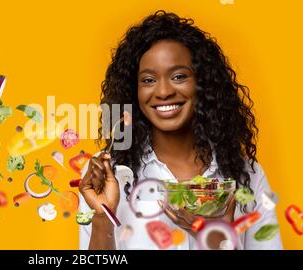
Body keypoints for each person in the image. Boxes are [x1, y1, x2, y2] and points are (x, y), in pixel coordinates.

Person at [78, 10, 283, 250]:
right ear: (133, 92)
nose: (163, 91)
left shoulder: (248, 175)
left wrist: (216, 240)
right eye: (148, 80)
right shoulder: (107, 174)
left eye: (178, 76)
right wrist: (103, 218)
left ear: (202, 83)